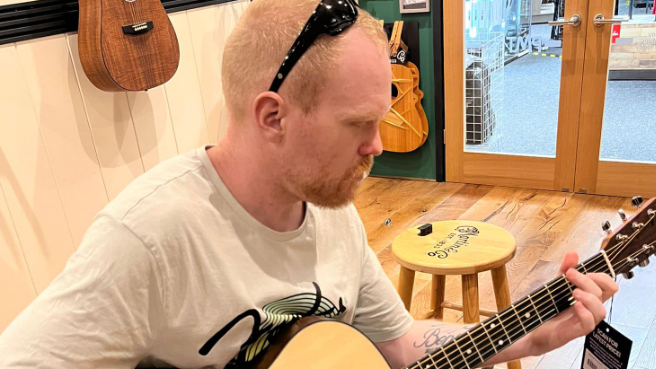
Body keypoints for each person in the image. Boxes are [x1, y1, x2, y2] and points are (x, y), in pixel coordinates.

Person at [0, 0, 619, 368]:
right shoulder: (150, 237)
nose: (378, 146)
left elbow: (401, 345)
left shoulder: (330, 211)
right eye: (359, 124)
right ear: (273, 116)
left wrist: (533, 334)